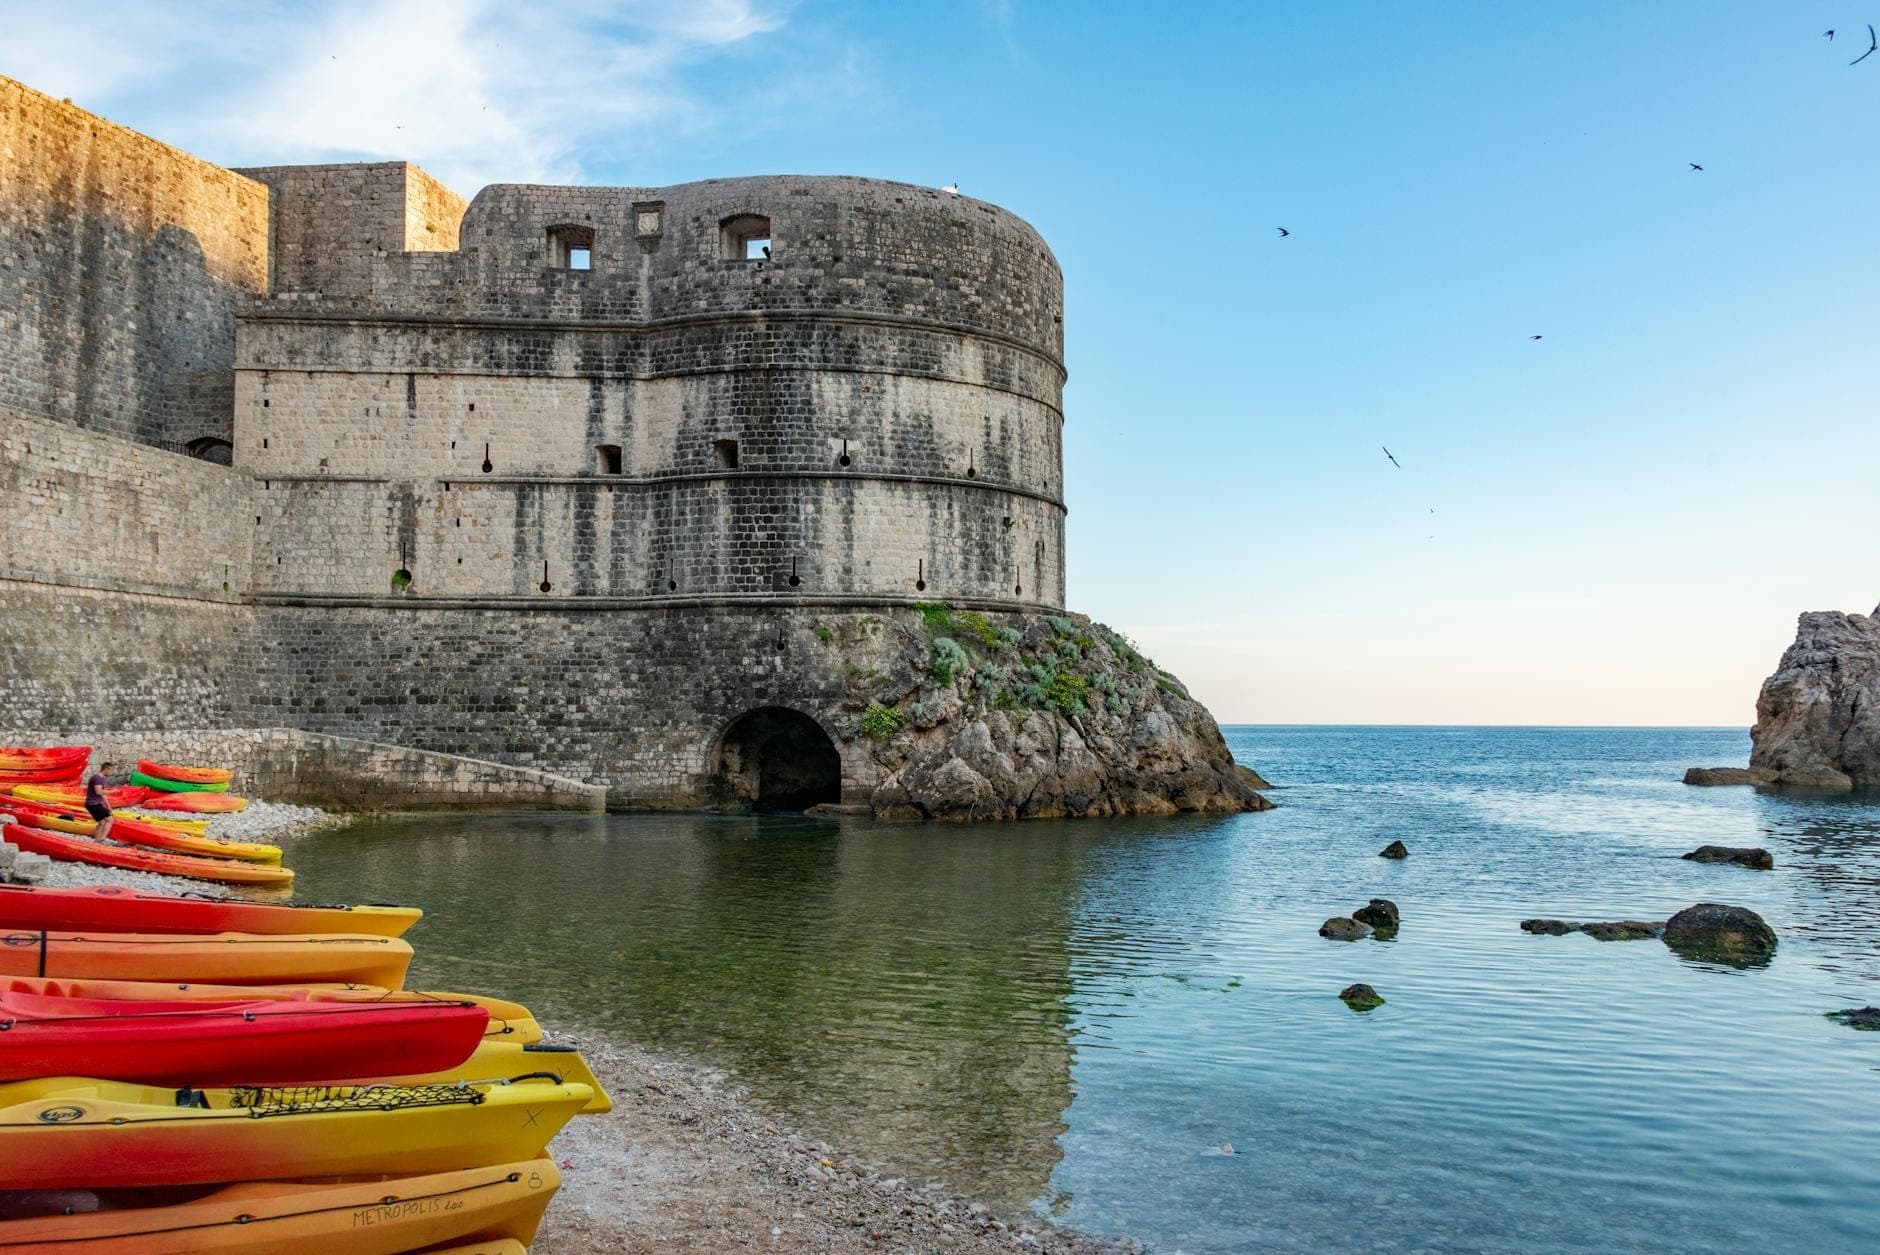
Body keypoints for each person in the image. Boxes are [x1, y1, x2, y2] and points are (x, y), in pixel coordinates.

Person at [84, 760, 120, 843]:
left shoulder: (101, 779)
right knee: (110, 820)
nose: (112, 773)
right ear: (106, 769)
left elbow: (103, 795)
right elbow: (99, 792)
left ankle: (96, 841)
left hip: (95, 804)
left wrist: (109, 807)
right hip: (93, 804)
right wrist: (112, 791)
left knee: (102, 822)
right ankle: (102, 839)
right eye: (111, 770)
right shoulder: (97, 778)